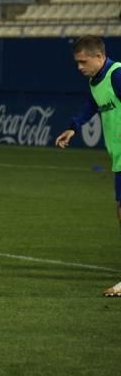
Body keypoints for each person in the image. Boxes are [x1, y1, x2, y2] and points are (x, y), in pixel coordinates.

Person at [55, 35, 121, 297]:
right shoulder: (97, 81)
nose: (79, 67)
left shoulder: (117, 74)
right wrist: (74, 127)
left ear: (99, 57)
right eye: (76, 62)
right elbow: (92, 104)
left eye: (83, 62)